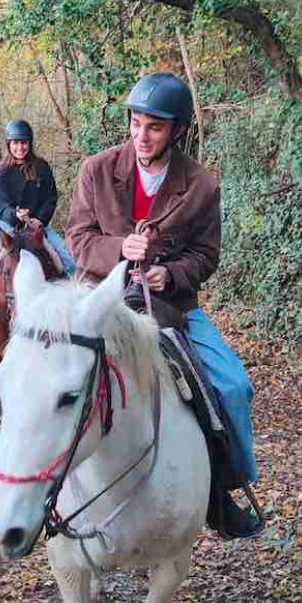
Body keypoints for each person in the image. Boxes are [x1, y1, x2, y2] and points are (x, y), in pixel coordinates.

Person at [65, 72, 262, 538]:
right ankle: (7, 473)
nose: (141, 135)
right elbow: (77, 238)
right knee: (43, 366)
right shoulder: (96, 170)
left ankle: (221, 491)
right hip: (99, 298)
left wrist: (169, 274)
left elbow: (206, 255)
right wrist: (119, 249)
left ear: (176, 130)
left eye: (154, 127)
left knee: (234, 386)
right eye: (136, 123)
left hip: (171, 306)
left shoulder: (201, 186)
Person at [0, 119, 75, 340]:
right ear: (9, 144)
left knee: (69, 262)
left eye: (24, 143)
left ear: (30, 143)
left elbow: (51, 197)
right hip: (7, 226)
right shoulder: (0, 171)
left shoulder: (41, 167)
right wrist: (13, 214)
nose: (20, 147)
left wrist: (39, 219)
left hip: (36, 226)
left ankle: (73, 312)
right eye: (16, 143)